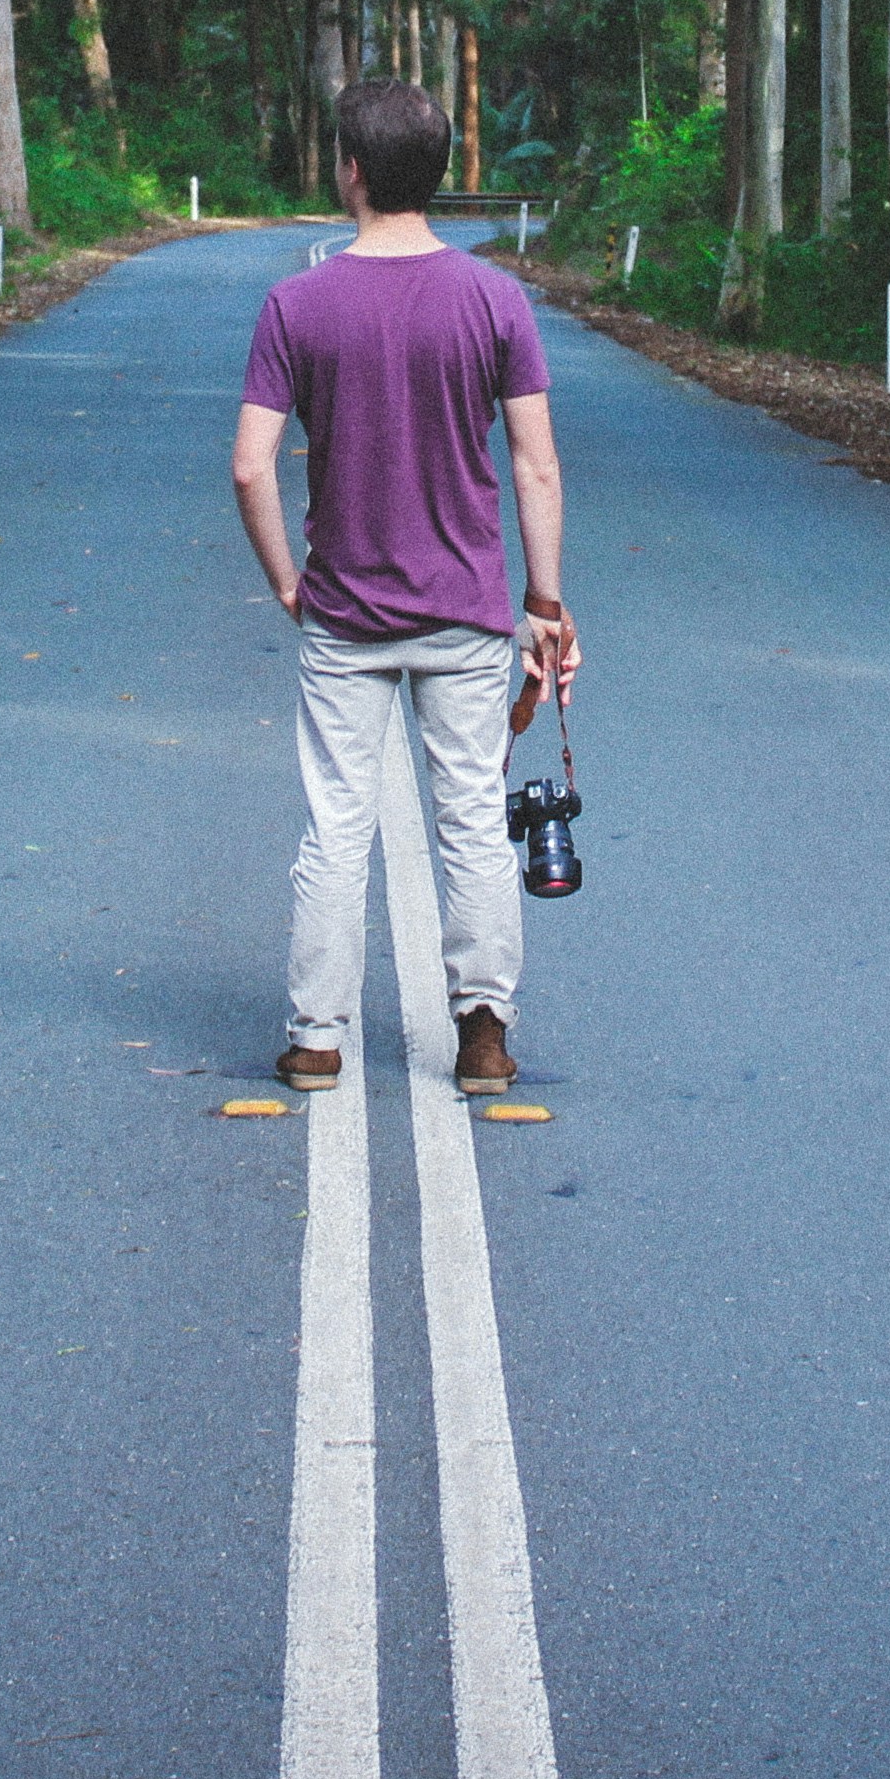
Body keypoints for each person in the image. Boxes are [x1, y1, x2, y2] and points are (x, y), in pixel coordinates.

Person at [228, 78, 578, 1097]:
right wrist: (544, 608)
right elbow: (535, 466)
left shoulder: (296, 304)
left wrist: (288, 584)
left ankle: (316, 1039)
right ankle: (480, 1037)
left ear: (348, 170)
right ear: (436, 173)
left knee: (335, 822)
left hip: (343, 611)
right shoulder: (494, 299)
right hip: (466, 611)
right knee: (468, 816)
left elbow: (251, 466)